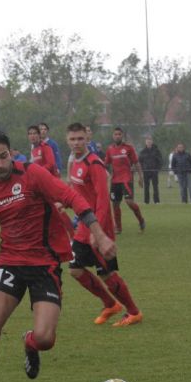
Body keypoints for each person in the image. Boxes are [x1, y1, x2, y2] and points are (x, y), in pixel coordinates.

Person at [0, 131, 115, 382]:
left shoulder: (32, 174)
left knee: (45, 339)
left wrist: (99, 234)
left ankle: (30, 342)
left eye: (4, 156)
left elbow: (71, 197)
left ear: (11, 152)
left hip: (44, 265)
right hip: (10, 264)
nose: (0, 163)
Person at [66, 122, 143, 327]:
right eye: (72, 139)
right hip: (84, 226)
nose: (76, 142)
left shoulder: (94, 164)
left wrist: (98, 231)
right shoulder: (75, 162)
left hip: (100, 225)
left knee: (107, 273)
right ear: (67, 141)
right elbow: (77, 194)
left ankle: (134, 312)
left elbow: (102, 200)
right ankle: (110, 304)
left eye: (80, 138)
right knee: (75, 270)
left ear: (87, 139)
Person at [104, 127, 145, 232]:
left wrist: (141, 177)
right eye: (115, 134)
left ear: (122, 136)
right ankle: (118, 227)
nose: (117, 136)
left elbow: (136, 163)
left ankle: (141, 220)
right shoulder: (110, 149)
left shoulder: (128, 148)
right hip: (115, 181)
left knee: (129, 202)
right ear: (113, 136)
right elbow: (106, 164)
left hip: (126, 179)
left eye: (119, 134)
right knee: (115, 204)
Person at [138, 136, 162, 204]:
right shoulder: (142, 151)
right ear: (145, 142)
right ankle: (146, 201)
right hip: (146, 171)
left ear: (152, 141)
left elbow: (160, 160)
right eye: (147, 141)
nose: (149, 142)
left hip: (154, 171)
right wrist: (142, 169)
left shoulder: (156, 151)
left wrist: (158, 169)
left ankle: (156, 201)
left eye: (150, 140)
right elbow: (140, 161)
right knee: (146, 187)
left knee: (155, 186)